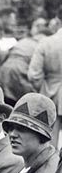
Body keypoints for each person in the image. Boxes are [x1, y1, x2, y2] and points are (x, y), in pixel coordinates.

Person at [28, 9, 62, 147]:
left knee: (50, 141)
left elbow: (33, 74)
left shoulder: (46, 42)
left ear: (58, 20)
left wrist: (42, 89)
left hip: (50, 93)